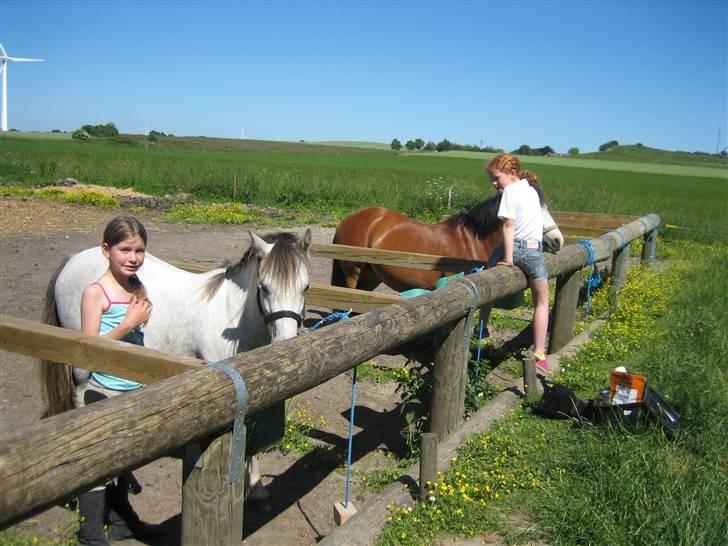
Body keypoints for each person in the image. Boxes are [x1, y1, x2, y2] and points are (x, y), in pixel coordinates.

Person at [76, 215, 159, 545]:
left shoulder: (137, 287)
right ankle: (91, 532)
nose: (133, 257)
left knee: (127, 455)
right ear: (106, 250)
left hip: (132, 386)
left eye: (140, 250)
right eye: (125, 249)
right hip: (103, 389)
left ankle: (122, 517)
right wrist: (127, 325)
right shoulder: (96, 293)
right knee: (97, 462)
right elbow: (87, 349)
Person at [487, 153, 550, 372]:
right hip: (536, 251)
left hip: (517, 248)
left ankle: (482, 324)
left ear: (512, 173)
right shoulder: (532, 191)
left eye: (496, 178)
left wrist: (509, 258)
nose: (495, 184)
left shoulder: (510, 193)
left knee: (485, 274)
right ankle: (540, 353)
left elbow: (508, 226)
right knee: (542, 302)